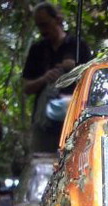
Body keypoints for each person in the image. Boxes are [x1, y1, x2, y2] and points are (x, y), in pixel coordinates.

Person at [22, 2, 91, 153]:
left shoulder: (78, 46)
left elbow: (92, 82)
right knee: (42, 163)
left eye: (45, 24)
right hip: (45, 123)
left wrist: (75, 68)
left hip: (73, 120)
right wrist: (44, 79)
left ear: (57, 19)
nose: (43, 30)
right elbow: (26, 88)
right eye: (39, 26)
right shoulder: (37, 49)